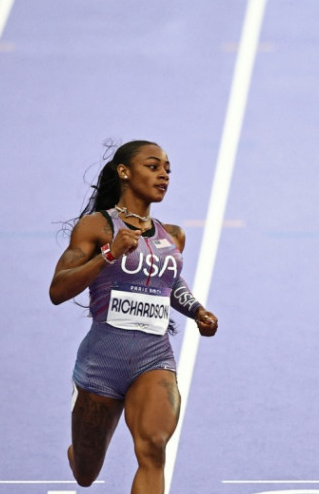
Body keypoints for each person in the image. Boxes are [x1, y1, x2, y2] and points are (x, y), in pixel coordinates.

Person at [49, 140, 218, 493]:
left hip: (153, 358)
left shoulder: (173, 235)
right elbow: (58, 290)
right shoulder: (96, 227)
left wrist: (197, 310)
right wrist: (109, 254)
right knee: (85, 473)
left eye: (168, 169)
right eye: (153, 167)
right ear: (124, 172)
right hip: (101, 364)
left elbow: (170, 283)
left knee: (153, 448)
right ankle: (79, 456)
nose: (164, 175)